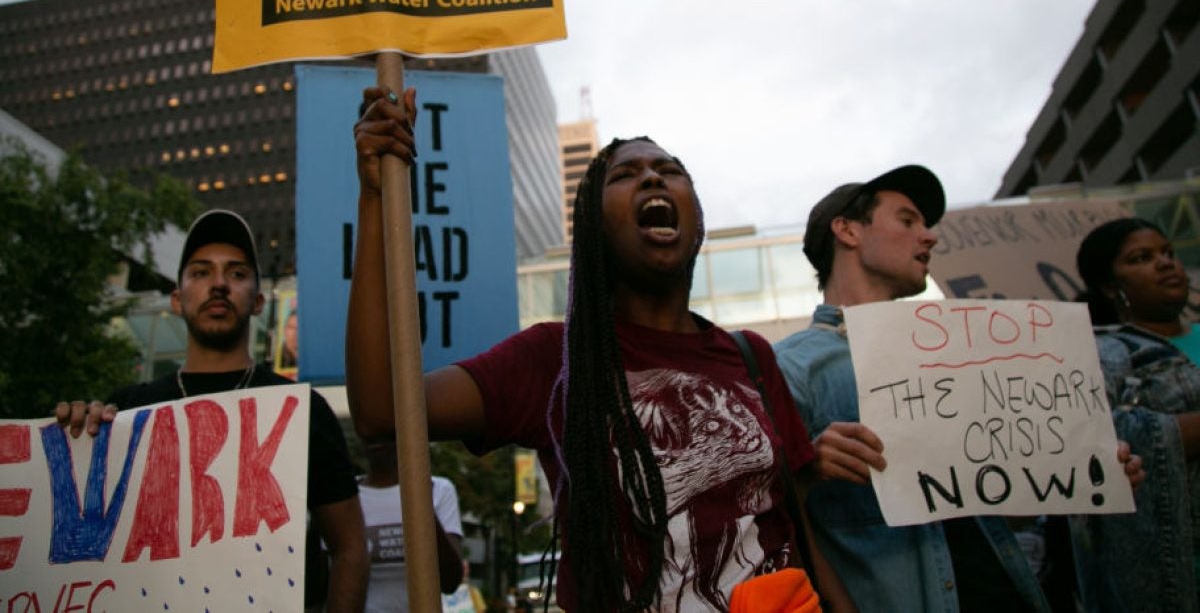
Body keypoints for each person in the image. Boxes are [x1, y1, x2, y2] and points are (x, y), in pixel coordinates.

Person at [347, 86, 828, 613]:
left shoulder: (752, 357)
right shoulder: (554, 359)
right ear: (593, 227)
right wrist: (375, 199)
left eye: (669, 170)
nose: (652, 177)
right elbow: (380, 410)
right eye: (625, 175)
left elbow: (806, 532)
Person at [773, 165, 1143, 612]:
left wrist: (1085, 473)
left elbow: (991, 503)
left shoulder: (958, 355)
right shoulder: (790, 368)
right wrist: (806, 470)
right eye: (907, 221)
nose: (930, 237)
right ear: (848, 231)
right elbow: (760, 518)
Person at [57, 209, 368, 613]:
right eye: (201, 272)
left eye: (236, 274)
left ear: (258, 301)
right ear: (176, 299)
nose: (219, 284)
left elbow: (350, 548)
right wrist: (75, 445)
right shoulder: (128, 412)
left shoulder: (303, 411)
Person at [1072, 217, 1198, 610]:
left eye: (1168, 252)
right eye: (1142, 258)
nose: (1165, 263)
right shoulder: (1104, 353)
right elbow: (1102, 438)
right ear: (1110, 286)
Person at [357, 439, 465, 612]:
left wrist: (421, 498)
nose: (376, 437)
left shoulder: (439, 490)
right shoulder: (347, 496)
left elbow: (450, 581)